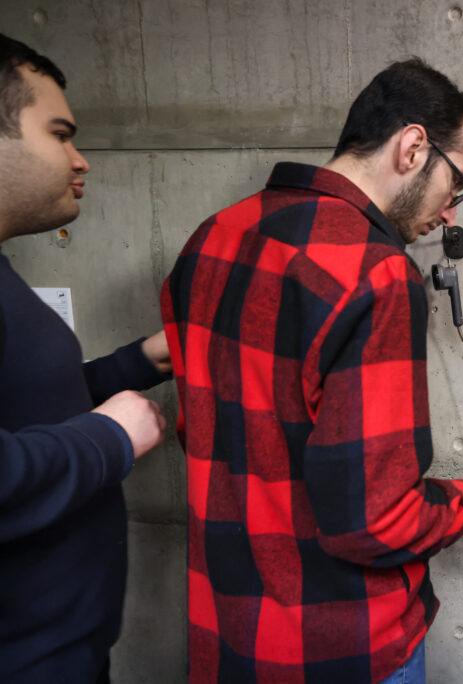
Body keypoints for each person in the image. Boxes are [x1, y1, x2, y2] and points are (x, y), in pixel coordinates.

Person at [162, 57, 463, 683]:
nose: (450, 213)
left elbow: (206, 438)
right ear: (413, 148)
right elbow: (375, 522)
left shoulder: (210, 239)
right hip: (340, 649)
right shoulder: (376, 273)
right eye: (457, 184)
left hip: (227, 637)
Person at [0, 34, 171, 683]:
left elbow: (28, 411)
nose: (81, 160)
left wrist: (140, 363)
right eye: (59, 133)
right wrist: (109, 440)